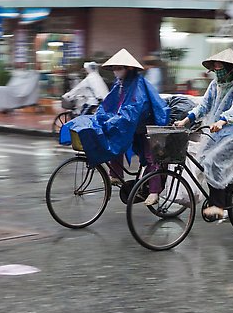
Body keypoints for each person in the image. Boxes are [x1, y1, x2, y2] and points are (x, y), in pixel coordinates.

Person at [59, 48, 170, 205]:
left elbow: (133, 109)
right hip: (130, 124)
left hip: (146, 124)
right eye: (115, 68)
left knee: (151, 157)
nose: (116, 72)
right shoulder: (120, 84)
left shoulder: (138, 85)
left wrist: (114, 121)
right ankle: (116, 175)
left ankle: (154, 192)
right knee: (113, 139)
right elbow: (108, 104)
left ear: (128, 68)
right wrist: (101, 117)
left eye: (119, 68)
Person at [174, 48, 233, 219]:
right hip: (219, 129)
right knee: (204, 158)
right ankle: (226, 189)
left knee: (214, 161)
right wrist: (185, 121)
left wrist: (222, 120)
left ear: (232, 69)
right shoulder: (215, 85)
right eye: (216, 69)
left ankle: (218, 206)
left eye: (221, 69)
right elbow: (204, 106)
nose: (218, 73)